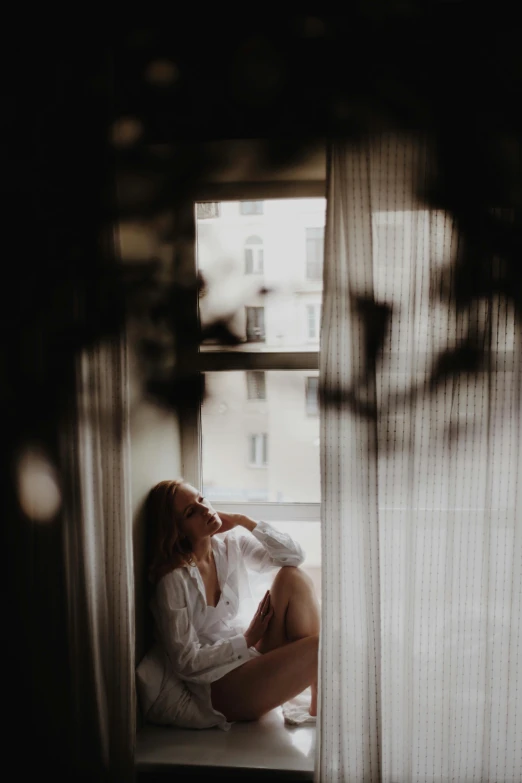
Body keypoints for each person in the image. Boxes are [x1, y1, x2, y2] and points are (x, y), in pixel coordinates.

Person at [138, 478, 320, 731]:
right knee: (320, 647)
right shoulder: (172, 580)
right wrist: (246, 640)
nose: (205, 510)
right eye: (191, 512)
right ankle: (312, 688)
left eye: (201, 500)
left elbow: (294, 556)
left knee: (293, 576)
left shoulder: (229, 544)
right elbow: (186, 662)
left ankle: (317, 698)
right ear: (177, 529)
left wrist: (243, 520)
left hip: (248, 655)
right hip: (217, 683)